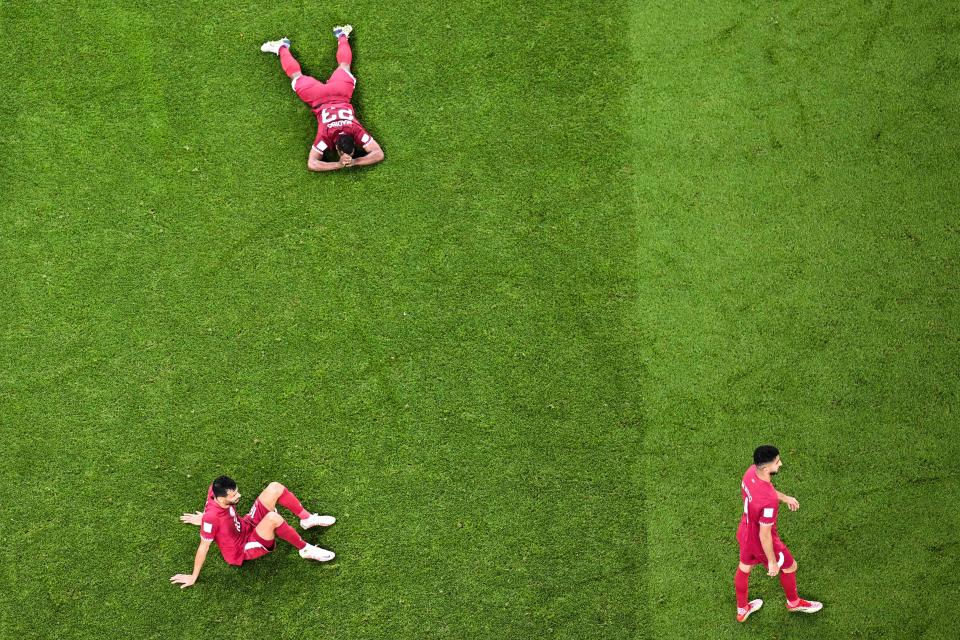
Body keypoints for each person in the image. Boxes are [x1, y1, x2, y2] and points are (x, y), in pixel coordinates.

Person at [170, 476, 336, 588]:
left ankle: (306, 519)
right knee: (273, 518)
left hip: (247, 524)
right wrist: (193, 577)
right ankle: (304, 549)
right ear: (221, 498)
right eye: (234, 495)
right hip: (242, 548)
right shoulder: (212, 518)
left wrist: (204, 518)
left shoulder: (214, 491)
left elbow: (213, 512)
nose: (238, 496)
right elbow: (203, 548)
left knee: (275, 487)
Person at [260, 26, 384, 172]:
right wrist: (347, 163)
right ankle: (281, 46)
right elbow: (312, 164)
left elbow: (378, 154)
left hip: (340, 93)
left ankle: (342, 34)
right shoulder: (326, 136)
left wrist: (350, 161)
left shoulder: (356, 130)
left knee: (344, 66)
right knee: (296, 76)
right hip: (318, 98)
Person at [734, 445, 823, 622]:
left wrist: (785, 497)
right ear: (766, 468)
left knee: (744, 568)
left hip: (745, 532)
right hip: (761, 541)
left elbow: (766, 491)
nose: (780, 464)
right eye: (777, 462)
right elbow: (765, 535)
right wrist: (772, 562)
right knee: (790, 566)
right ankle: (794, 602)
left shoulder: (751, 471)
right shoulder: (768, 501)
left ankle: (742, 609)